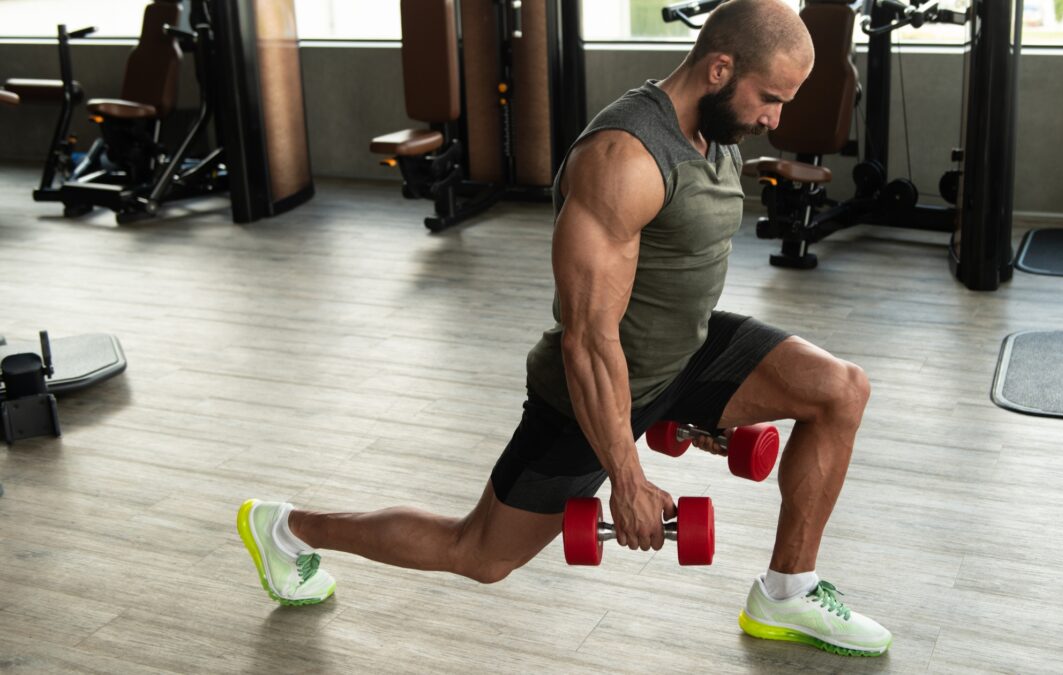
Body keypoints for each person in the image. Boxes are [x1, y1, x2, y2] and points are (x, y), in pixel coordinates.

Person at [237, 0, 891, 657]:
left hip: (686, 348)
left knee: (840, 389)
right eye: (771, 99)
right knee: (479, 552)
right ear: (719, 68)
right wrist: (628, 478)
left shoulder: (718, 128)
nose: (776, 119)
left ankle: (786, 591)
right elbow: (588, 339)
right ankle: (288, 527)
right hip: (591, 387)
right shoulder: (623, 159)